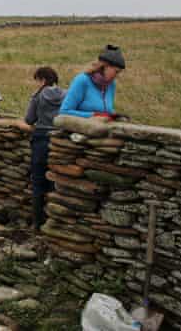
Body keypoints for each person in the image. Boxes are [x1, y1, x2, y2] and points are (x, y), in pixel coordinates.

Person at [24, 66, 66, 229]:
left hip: (41, 139)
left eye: (37, 81)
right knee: (55, 182)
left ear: (42, 80)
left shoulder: (38, 96)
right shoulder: (66, 94)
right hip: (60, 141)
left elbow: (29, 119)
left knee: (38, 182)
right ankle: (55, 221)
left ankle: (38, 222)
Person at [59, 45, 126, 120]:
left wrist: (114, 116)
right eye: (116, 72)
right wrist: (94, 115)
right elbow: (64, 112)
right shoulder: (82, 80)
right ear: (105, 66)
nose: (117, 76)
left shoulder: (111, 85)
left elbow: (106, 111)